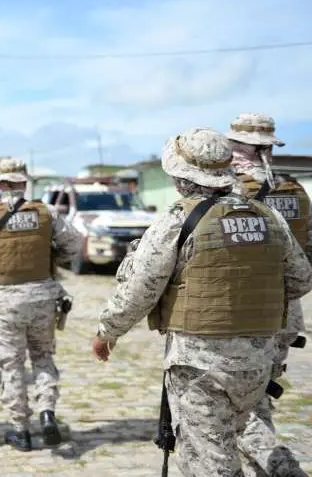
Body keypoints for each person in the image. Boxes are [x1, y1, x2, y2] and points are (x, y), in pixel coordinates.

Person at [92, 128, 312, 477]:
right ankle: (286, 470)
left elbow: (140, 288)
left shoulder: (179, 220)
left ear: (181, 177)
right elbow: (301, 279)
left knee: (210, 462)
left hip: (200, 365)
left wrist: (108, 331)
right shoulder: (268, 217)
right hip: (259, 360)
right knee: (245, 429)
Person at [0, 158, 82, 451]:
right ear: (24, 183)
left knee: (12, 364)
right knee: (43, 357)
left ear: (1, 184)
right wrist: (53, 257)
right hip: (43, 296)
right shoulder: (47, 213)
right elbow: (74, 244)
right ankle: (47, 412)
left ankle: (20, 429)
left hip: (6, 301)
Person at [225, 113, 312, 477]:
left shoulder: (230, 192)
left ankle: (282, 468)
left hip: (245, 314)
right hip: (287, 311)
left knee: (238, 407)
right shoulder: (293, 190)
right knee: (260, 394)